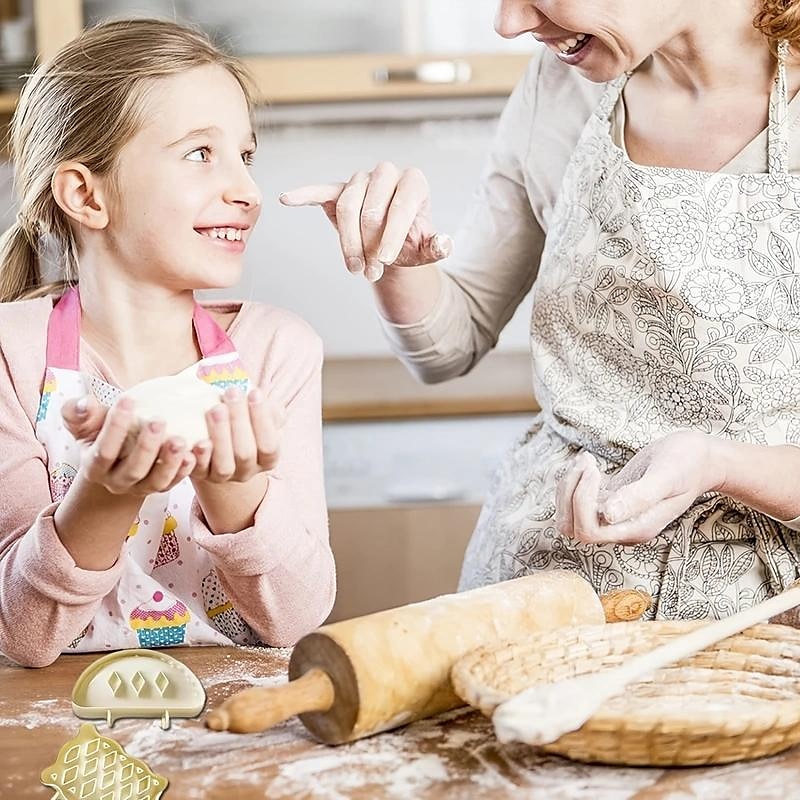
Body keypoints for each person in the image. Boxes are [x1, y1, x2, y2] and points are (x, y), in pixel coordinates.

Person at [281, 0, 800, 621]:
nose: (509, 23)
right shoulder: (560, 89)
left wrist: (724, 465)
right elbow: (450, 343)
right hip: (546, 589)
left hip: (765, 621)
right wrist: (397, 258)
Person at [0, 18, 335, 667]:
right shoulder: (13, 355)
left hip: (234, 721)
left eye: (246, 155)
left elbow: (296, 620)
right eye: (200, 154)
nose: (246, 191)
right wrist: (103, 497)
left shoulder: (275, 352)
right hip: (56, 724)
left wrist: (236, 493)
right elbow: (20, 637)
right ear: (85, 195)